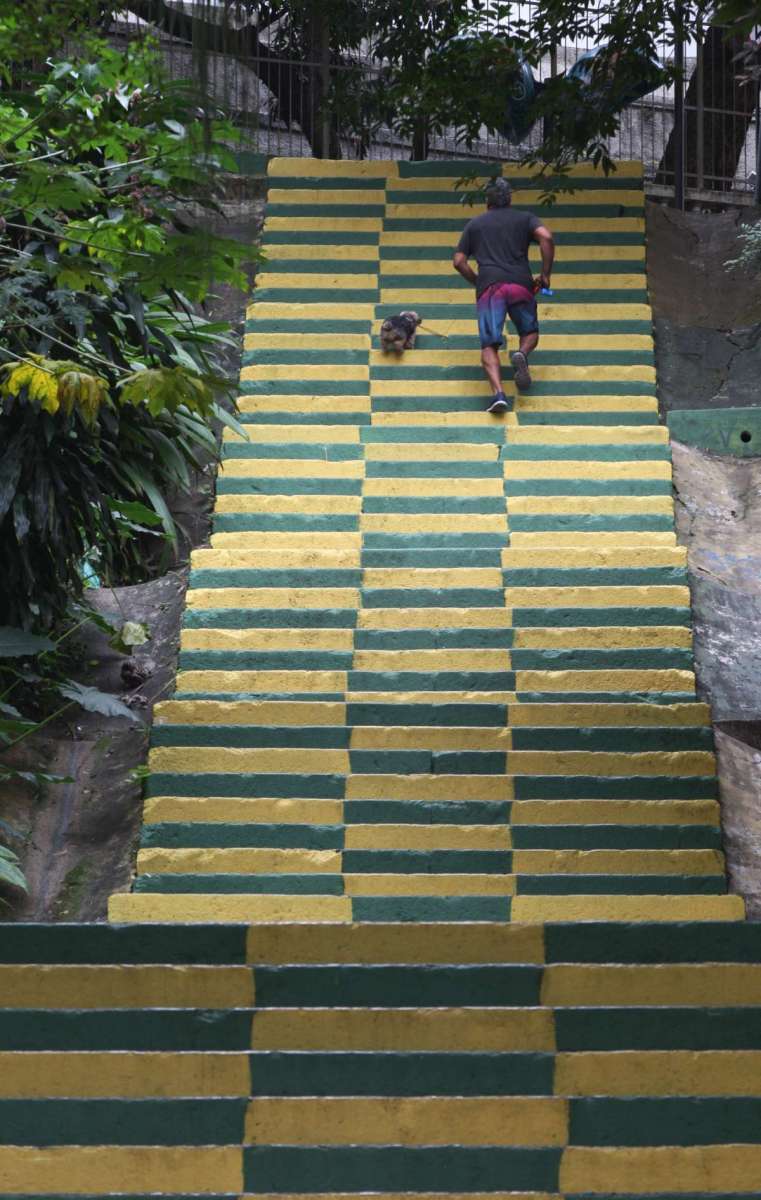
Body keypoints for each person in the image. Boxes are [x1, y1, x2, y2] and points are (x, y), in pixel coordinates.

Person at [453, 177, 554, 414]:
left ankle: (498, 394)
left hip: (491, 288)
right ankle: (522, 353)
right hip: (521, 284)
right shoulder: (526, 218)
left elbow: (459, 261)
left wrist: (477, 282)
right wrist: (545, 274)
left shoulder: (475, 224)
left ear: (487, 201)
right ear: (509, 199)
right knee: (530, 332)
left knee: (489, 344)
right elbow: (546, 237)